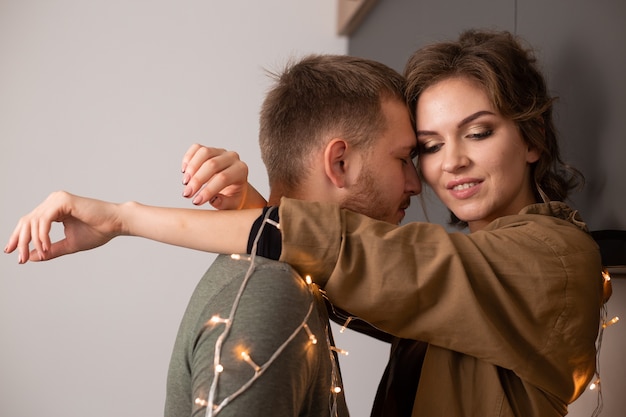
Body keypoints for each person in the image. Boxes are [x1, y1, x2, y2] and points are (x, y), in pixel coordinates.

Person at [5, 29, 605, 417]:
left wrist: (124, 216)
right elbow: (350, 277)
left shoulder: (554, 258)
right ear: (340, 160)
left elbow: (363, 257)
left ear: (530, 139)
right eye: (423, 148)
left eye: (478, 132)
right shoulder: (280, 292)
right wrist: (252, 203)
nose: (447, 165)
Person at [5, 54, 420, 417]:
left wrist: (251, 206)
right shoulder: (271, 294)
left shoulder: (297, 279)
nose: (415, 183)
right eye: (403, 159)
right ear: (341, 162)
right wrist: (121, 219)